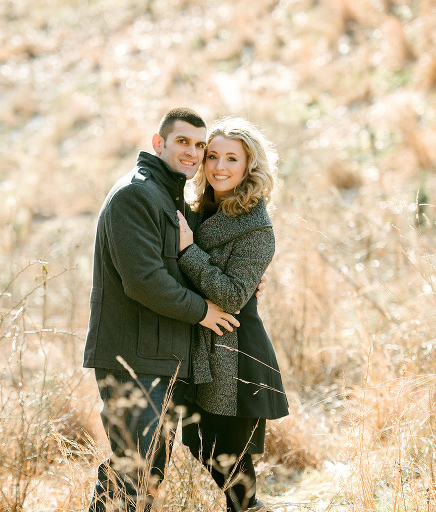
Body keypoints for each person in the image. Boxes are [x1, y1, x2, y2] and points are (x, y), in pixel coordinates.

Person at [82, 107, 243, 512]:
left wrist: (242, 277)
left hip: (159, 356)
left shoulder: (169, 197)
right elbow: (144, 281)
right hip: (132, 356)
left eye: (199, 145)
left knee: (145, 471)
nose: (192, 152)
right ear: (159, 143)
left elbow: (181, 265)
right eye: (182, 142)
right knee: (132, 471)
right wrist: (203, 312)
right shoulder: (135, 194)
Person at [176, 117, 289, 512]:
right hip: (196, 341)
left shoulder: (257, 228)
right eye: (212, 156)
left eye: (231, 159)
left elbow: (234, 294)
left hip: (234, 348)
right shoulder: (195, 210)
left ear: (248, 167)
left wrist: (189, 252)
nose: (219, 166)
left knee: (230, 454)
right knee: (195, 439)